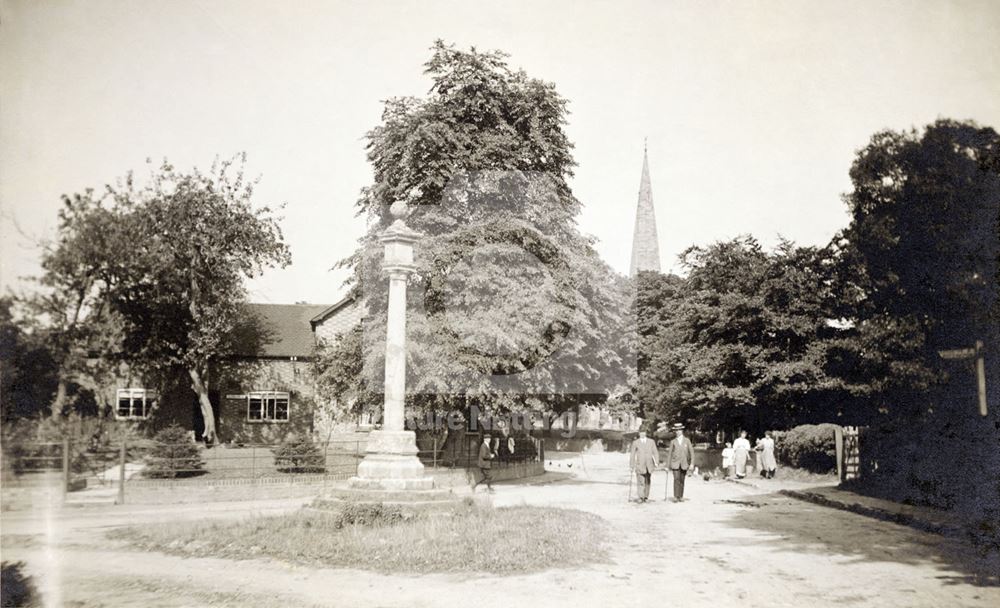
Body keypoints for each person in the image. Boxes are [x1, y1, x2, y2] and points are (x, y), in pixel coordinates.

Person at [665, 423, 695, 502]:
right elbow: (669, 454)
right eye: (676, 430)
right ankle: (675, 496)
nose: (678, 432)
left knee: (682, 480)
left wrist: (692, 464)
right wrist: (667, 466)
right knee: (676, 479)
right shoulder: (673, 441)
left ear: (682, 431)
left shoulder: (687, 441)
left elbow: (691, 453)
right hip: (675, 463)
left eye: (679, 430)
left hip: (684, 464)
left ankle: (680, 496)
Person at [629, 427, 659, 503]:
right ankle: (640, 497)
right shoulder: (636, 442)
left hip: (649, 465)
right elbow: (632, 454)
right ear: (639, 433)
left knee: (647, 481)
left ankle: (646, 496)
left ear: (646, 433)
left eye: (644, 432)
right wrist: (631, 465)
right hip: (640, 465)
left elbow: (655, 452)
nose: (642, 434)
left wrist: (656, 462)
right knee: (640, 481)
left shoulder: (651, 442)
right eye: (641, 432)